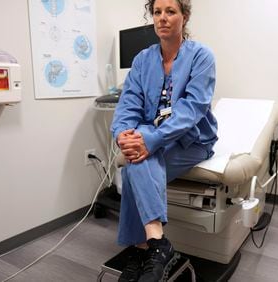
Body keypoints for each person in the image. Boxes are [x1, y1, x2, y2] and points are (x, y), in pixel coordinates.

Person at [111, 0, 217, 281]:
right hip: (154, 136)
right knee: (137, 157)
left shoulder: (201, 56)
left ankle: (139, 250)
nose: (162, 18)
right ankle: (156, 244)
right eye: (157, 12)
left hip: (192, 140)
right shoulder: (142, 60)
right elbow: (128, 104)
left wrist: (151, 140)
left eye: (170, 11)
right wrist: (122, 133)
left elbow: (192, 109)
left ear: (185, 16)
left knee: (139, 158)